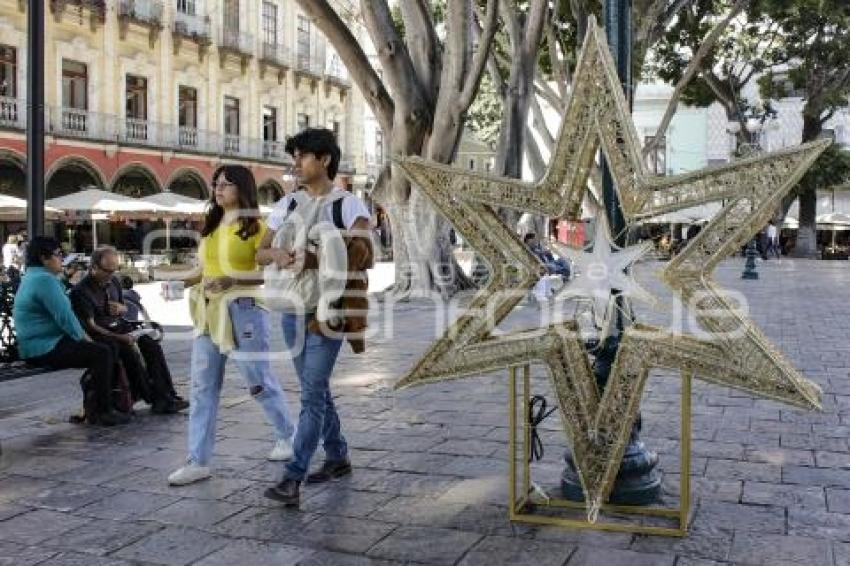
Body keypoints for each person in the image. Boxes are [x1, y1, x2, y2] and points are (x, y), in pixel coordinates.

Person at [259, 128, 373, 507]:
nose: (296, 163)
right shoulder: (287, 204)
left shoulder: (348, 204)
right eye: (295, 156)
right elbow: (260, 252)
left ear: (324, 160)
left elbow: (364, 251)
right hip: (292, 310)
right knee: (317, 389)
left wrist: (317, 258)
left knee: (310, 394)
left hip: (330, 311)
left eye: (303, 156)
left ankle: (293, 477)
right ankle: (338, 456)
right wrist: (276, 255)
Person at [167, 164, 296, 487]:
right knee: (202, 387)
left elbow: (264, 274)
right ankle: (198, 460)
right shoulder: (211, 225)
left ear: (242, 188)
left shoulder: (256, 227)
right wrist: (179, 284)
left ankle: (287, 435)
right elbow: (203, 269)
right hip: (210, 313)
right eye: (216, 184)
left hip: (245, 309)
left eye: (226, 184)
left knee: (257, 379)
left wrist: (231, 279)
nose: (218, 189)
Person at [12, 237, 129, 426]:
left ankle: (104, 404)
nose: (62, 259)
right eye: (58, 255)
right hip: (42, 347)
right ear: (44, 258)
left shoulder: (38, 276)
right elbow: (65, 317)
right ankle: (102, 411)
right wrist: (85, 339)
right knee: (101, 352)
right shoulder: (43, 280)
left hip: (44, 342)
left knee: (108, 346)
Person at [70, 247, 187, 415]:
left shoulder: (114, 282)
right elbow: (91, 326)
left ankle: (166, 395)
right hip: (102, 334)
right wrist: (121, 336)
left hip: (120, 326)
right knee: (127, 350)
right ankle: (152, 396)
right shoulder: (81, 291)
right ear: (94, 268)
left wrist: (122, 309)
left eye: (114, 270)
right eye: (106, 271)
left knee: (150, 343)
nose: (111, 275)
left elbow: (122, 308)